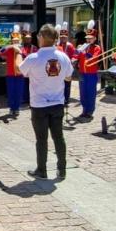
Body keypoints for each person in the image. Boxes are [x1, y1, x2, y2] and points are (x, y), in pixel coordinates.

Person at [19, 24, 73, 180]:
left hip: (39, 105)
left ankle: (42, 170)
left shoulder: (34, 57)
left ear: (42, 37)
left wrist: (16, 52)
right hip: (57, 102)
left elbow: (19, 70)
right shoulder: (63, 56)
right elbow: (69, 76)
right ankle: (62, 169)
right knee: (59, 137)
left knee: (41, 139)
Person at [73, 20, 102, 120]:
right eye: (87, 38)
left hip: (91, 74)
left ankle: (90, 111)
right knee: (82, 93)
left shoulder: (97, 48)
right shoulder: (82, 47)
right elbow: (75, 57)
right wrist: (77, 52)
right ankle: (84, 110)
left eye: (91, 38)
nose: (88, 40)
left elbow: (94, 58)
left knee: (90, 93)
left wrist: (84, 51)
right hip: (82, 73)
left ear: (94, 38)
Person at [0, 26, 24, 119]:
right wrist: (10, 46)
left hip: (20, 74)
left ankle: (17, 108)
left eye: (17, 40)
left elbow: (26, 55)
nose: (15, 42)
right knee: (11, 92)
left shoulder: (22, 48)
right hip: (10, 74)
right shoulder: (9, 48)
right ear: (12, 40)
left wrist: (19, 50)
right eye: (14, 41)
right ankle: (12, 108)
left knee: (18, 92)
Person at [57, 22, 77, 104]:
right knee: (59, 84)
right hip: (59, 67)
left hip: (68, 67)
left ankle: (66, 99)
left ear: (67, 37)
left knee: (67, 84)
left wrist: (73, 61)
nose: (63, 38)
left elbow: (75, 55)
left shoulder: (70, 46)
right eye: (61, 37)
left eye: (64, 37)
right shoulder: (58, 45)